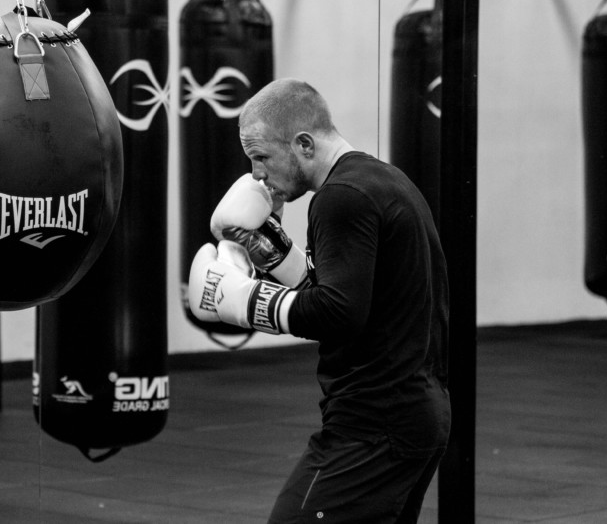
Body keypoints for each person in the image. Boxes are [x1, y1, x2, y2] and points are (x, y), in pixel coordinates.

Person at [186, 78, 450, 523]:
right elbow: (355, 294)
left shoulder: (340, 198)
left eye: (261, 157)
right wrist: (269, 250)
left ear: (304, 144)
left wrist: (241, 299)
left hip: (374, 424)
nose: (255, 174)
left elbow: (339, 312)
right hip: (414, 413)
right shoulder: (381, 180)